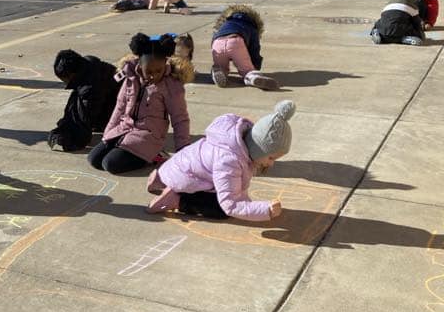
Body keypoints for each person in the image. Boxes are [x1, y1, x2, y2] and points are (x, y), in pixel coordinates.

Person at [147, 99, 296, 221]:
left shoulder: (238, 145)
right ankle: (176, 200)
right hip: (182, 177)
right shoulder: (229, 160)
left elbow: (237, 188)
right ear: (258, 149)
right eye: (271, 157)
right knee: (220, 210)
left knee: (222, 193)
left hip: (175, 170)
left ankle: (161, 181)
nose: (271, 163)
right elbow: (231, 205)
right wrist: (264, 210)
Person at [88, 33, 191, 174]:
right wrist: (108, 134)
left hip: (148, 136)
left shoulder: (171, 85)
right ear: (139, 65)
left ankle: (155, 156)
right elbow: (120, 107)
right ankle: (129, 149)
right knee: (94, 159)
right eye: (148, 71)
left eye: (158, 70)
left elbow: (180, 119)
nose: (153, 75)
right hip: (125, 129)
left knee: (110, 164)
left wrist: (183, 151)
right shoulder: (130, 77)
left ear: (165, 64)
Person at [49, 50, 120, 151]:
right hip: (111, 103)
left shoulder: (89, 88)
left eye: (64, 79)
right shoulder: (89, 64)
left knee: (76, 106)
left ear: (72, 75)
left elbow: (85, 116)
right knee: (75, 99)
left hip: (116, 112)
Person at [211, 3, 278, 90]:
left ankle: (218, 71)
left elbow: (214, 37)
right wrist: (255, 67)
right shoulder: (251, 27)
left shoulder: (225, 24)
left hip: (217, 43)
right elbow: (254, 49)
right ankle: (253, 77)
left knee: (220, 66)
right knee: (247, 71)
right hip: (235, 42)